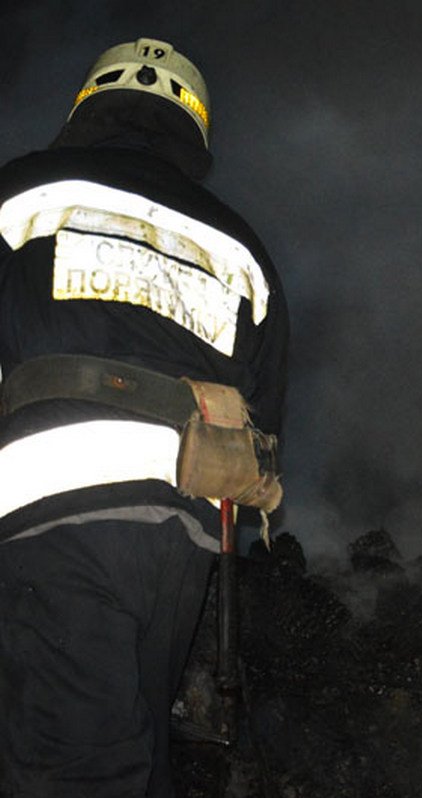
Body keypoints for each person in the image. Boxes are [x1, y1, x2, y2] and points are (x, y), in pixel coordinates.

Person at [0, 38, 288, 797]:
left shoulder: (26, 190)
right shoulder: (240, 244)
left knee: (71, 757)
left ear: (89, 104)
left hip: (50, 502)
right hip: (183, 529)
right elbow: (267, 414)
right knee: (136, 734)